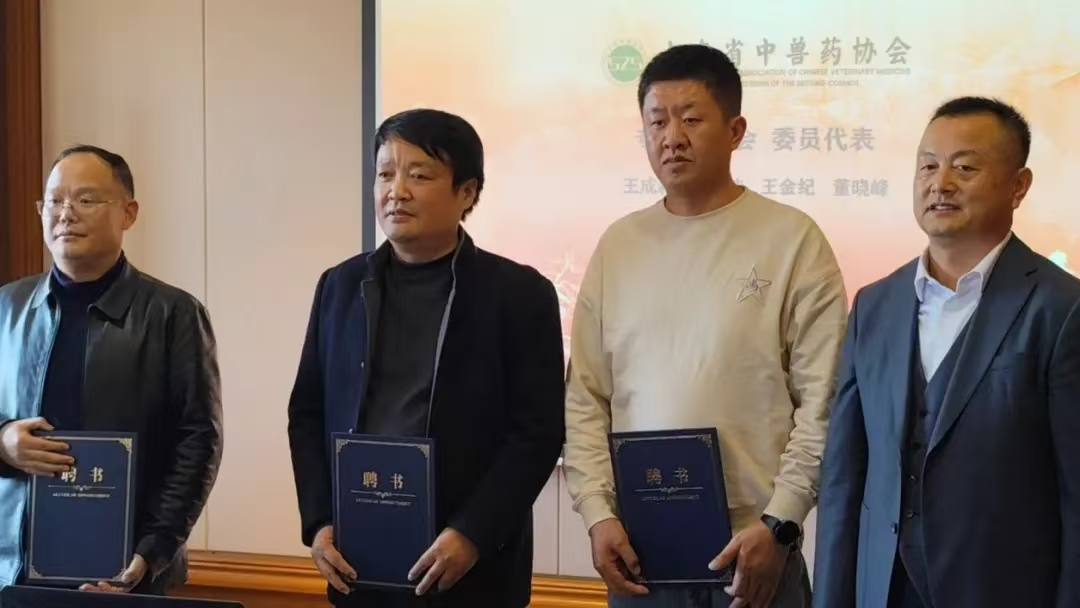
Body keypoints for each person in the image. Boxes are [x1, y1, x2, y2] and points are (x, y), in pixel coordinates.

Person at [564, 44, 849, 608]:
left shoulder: (792, 239)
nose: (672, 137)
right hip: (640, 553)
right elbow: (586, 398)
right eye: (657, 122)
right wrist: (597, 514)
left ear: (735, 130)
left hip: (754, 552)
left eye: (691, 119)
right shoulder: (619, 246)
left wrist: (781, 522)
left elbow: (825, 399)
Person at [287, 108, 566, 607]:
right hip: (359, 561)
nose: (397, 191)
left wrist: (473, 533)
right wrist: (319, 522)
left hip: (471, 570)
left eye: (419, 175)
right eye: (385, 174)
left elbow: (538, 433)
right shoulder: (341, 285)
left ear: (467, 192)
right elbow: (307, 413)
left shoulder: (519, 294)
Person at [813, 97, 1080, 608]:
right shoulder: (874, 305)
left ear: (1019, 186)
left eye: (965, 167)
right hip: (883, 590)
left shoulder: (1062, 309)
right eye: (928, 166)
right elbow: (844, 478)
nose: (941, 183)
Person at [0, 145, 224, 595]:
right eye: (54, 200)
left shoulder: (173, 313)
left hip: (128, 568)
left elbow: (198, 441)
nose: (66, 214)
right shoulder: (7, 306)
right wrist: (3, 442)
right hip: (14, 570)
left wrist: (152, 551)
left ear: (128, 213)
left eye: (85, 199)